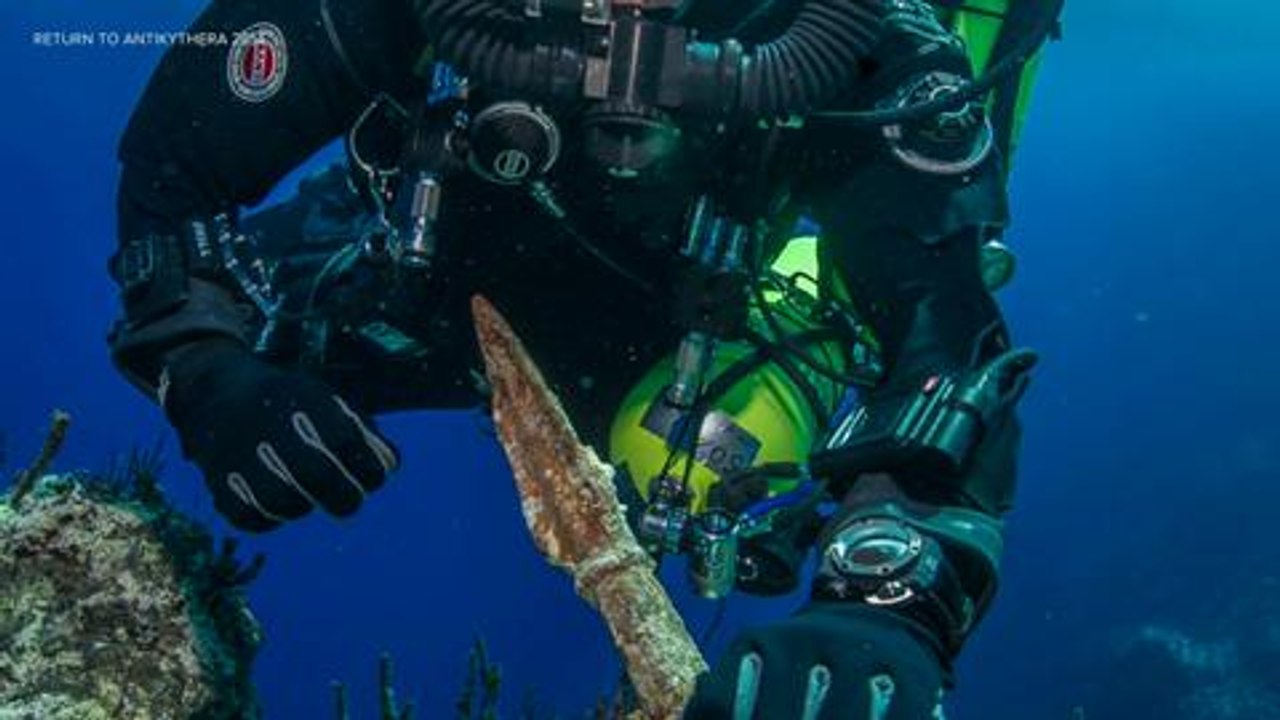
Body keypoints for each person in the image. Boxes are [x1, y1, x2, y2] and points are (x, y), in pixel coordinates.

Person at [108, 0, 1061, 716]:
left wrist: (886, 599)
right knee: (275, 302)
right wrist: (203, 366)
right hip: (414, 273)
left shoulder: (854, 36)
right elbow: (175, 172)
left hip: (687, 344)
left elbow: (944, 338)